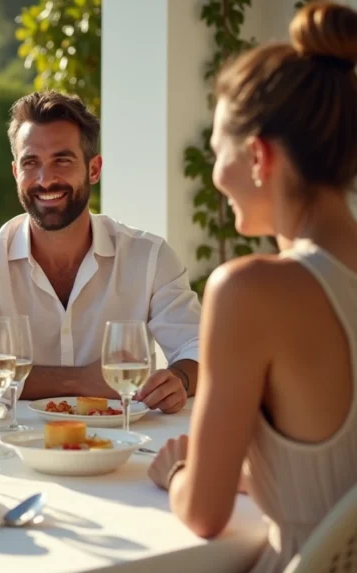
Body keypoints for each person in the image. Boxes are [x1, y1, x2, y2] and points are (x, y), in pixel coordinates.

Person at [148, 2, 357, 570]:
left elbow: (204, 514)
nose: (216, 176)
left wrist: (180, 471)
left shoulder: (252, 290)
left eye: (218, 151)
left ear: (260, 156)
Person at [0, 91, 201, 413]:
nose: (45, 179)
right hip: (12, 444)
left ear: (94, 169)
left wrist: (181, 379)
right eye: (31, 163)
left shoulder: (149, 257)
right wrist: (80, 380)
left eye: (62, 161)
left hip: (123, 446)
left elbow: (198, 347)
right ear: (15, 173)